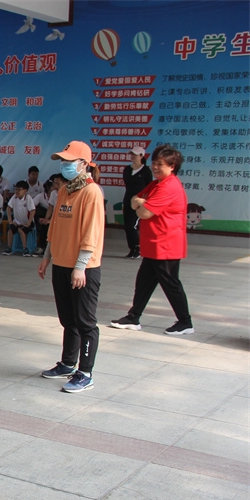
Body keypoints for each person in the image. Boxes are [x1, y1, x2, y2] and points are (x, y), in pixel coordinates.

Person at [37, 141, 105, 393]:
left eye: (69, 162)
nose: (64, 165)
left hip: (83, 268)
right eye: (63, 162)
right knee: (68, 319)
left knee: (85, 321)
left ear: (84, 164)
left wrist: (80, 267)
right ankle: (67, 363)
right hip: (61, 263)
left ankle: (85, 372)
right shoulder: (65, 190)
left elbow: (91, 233)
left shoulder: (91, 192)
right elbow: (55, 227)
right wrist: (47, 256)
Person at [110, 145, 193, 335]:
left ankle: (185, 322)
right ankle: (133, 317)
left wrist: (142, 204)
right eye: (154, 163)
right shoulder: (156, 184)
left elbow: (144, 212)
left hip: (166, 245)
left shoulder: (169, 186)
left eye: (160, 164)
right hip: (154, 245)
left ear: (172, 166)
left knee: (171, 284)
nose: (155, 167)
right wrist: (141, 203)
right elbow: (134, 200)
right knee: (144, 282)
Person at [121, 145, 152, 259]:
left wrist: (144, 201)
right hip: (128, 200)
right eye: (131, 154)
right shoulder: (127, 169)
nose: (132, 156)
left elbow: (149, 187)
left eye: (135, 154)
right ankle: (132, 248)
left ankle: (138, 247)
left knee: (131, 225)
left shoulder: (146, 171)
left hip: (139, 203)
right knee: (127, 226)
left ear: (141, 156)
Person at [3, 180, 36, 256]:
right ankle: (9, 248)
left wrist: (28, 223)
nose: (17, 191)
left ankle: (25, 249)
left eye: (19, 189)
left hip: (28, 222)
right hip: (17, 221)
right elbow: (8, 208)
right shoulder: (14, 197)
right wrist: (10, 221)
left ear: (25, 190)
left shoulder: (28, 198)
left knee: (21, 230)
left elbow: (32, 211)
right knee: (10, 229)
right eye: (16, 189)